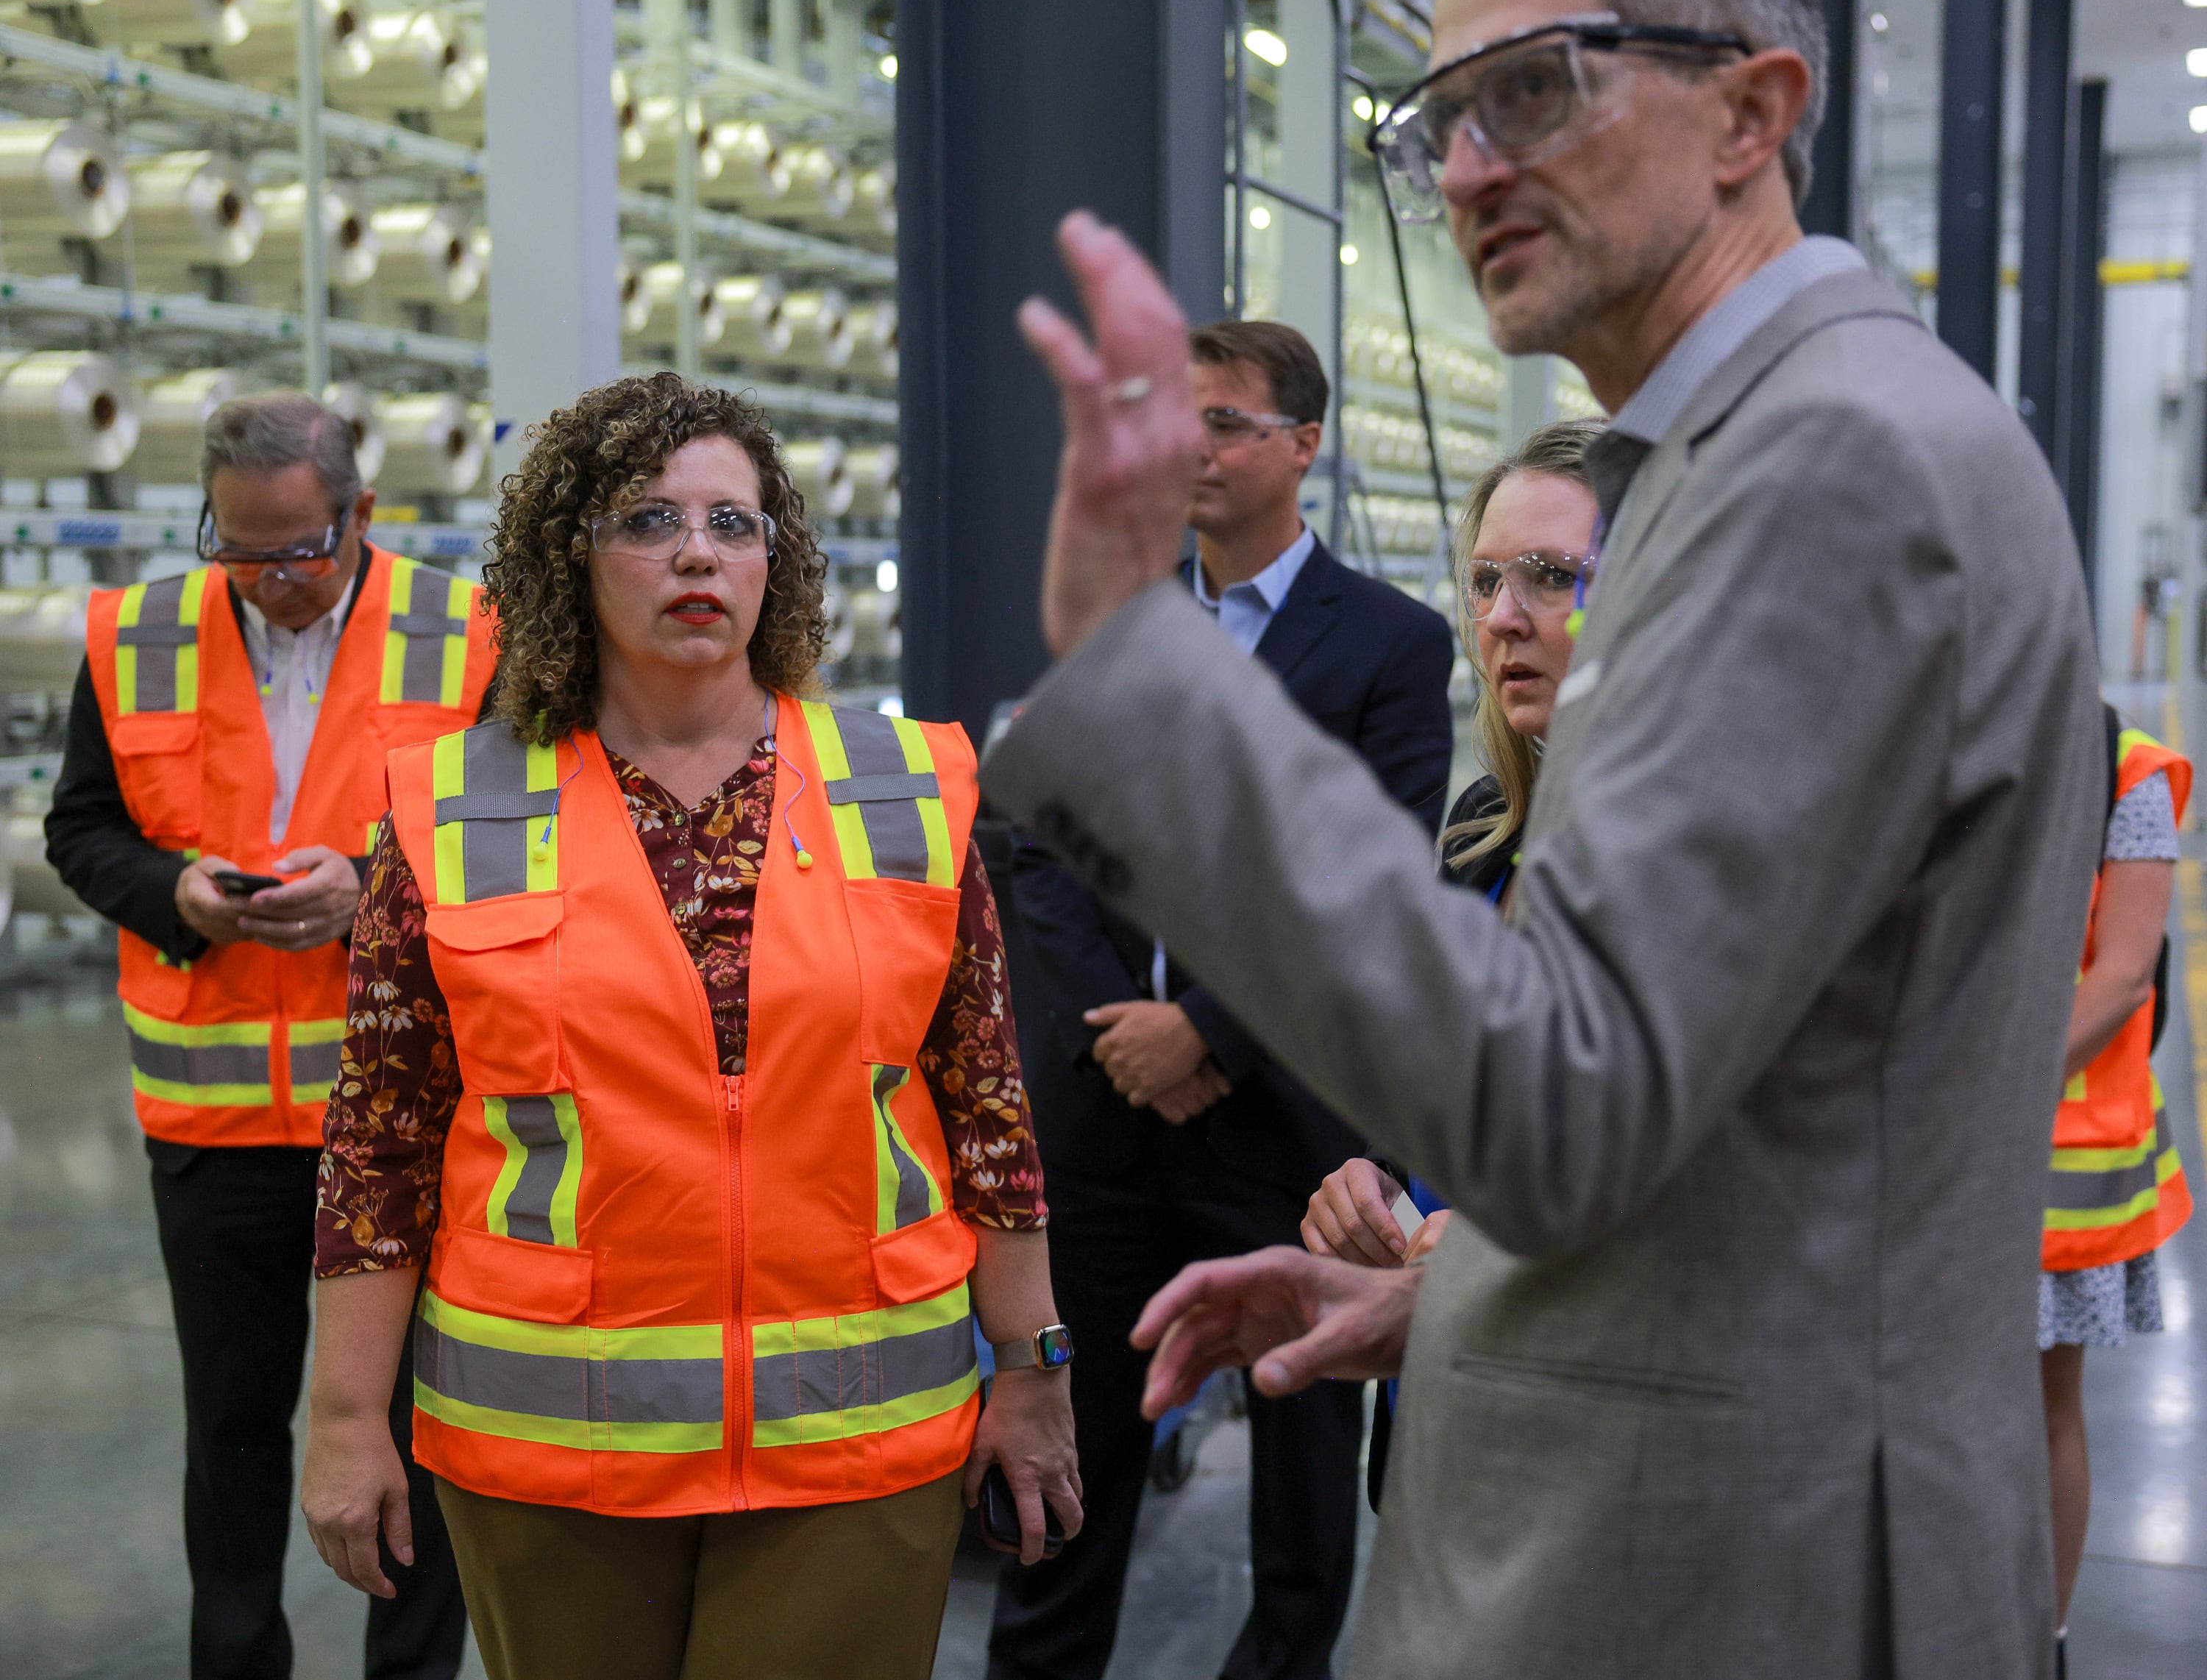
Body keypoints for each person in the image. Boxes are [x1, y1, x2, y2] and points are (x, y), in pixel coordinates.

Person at [982, 0, 2105, 1671]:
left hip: (1731, 1578)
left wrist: (1146, 690)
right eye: (1437, 117)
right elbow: (1758, 1113)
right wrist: (1462, 1300)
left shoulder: (1829, 465)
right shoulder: (1750, 451)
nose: (1466, 164)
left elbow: (1561, 1089)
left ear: (1750, 113)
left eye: (1531, 90)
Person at [296, 372, 1080, 1680]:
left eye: (734, 523)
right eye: (649, 521)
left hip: (859, 1436)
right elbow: (378, 1147)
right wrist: (341, 1419)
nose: (698, 552)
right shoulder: (453, 807)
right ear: (572, 557)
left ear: (779, 559)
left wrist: (1036, 1365)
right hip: (547, 1451)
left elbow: (987, 1105)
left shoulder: (906, 786)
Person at [989, 320, 1453, 1680]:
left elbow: (1371, 869)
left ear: (1305, 446)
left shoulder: (1388, 644)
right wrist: (1119, 1040)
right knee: (1071, 1482)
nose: (1190, 446)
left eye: (1227, 422)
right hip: (1112, 1133)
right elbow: (1040, 850)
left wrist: (1211, 1031)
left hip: (1292, 1140)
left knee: (1303, 1508)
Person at [43, 391, 490, 1680]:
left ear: (359, 514)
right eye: (239, 553)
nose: (272, 582)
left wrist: (369, 884)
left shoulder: (463, 634)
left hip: (406, 1118)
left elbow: (521, 837)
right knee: (231, 1434)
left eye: (300, 551)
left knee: (415, 1432)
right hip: (216, 1123)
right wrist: (174, 895)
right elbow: (82, 832)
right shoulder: (134, 637)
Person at [1304, 418, 1602, 1282]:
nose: (1502, 617)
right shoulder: (1485, 829)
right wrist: (1372, 1182)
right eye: (1483, 580)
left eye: (1549, 577)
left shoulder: (1727, 864)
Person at [2040, 709, 2193, 1667]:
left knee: (2047, 1404)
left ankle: (2040, 1635)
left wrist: (1986, 1094)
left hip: (2065, 1166)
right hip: (1935, 1154)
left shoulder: (2125, 770)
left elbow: (2128, 972)